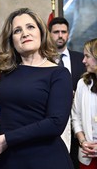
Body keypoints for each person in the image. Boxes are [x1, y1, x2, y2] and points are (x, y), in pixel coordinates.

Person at [0, 7, 74, 169]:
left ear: (41, 32)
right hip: (6, 159)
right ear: (11, 40)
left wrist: (6, 139)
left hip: (43, 158)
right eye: (17, 30)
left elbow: (55, 123)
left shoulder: (59, 73)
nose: (25, 33)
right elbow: (0, 113)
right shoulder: (7, 73)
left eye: (30, 27)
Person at [49, 17, 86, 168]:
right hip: (53, 121)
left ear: (68, 34)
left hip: (79, 121)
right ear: (49, 34)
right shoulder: (42, 60)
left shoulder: (81, 59)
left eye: (63, 32)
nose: (60, 35)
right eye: (56, 32)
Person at [71, 38, 97, 169]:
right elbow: (76, 117)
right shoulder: (82, 83)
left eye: (87, 56)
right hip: (86, 156)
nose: (83, 61)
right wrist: (83, 141)